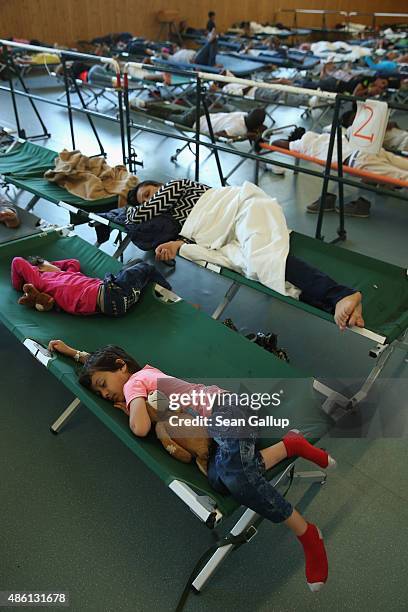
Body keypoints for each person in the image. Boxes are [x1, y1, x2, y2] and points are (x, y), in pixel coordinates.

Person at [47, 339, 335, 592]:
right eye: (100, 394)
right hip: (218, 431)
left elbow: (139, 426)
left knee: (235, 477)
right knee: (219, 480)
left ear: (122, 367)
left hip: (224, 409)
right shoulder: (136, 376)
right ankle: (291, 445)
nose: (106, 395)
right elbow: (99, 365)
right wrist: (74, 354)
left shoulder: (137, 381)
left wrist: (130, 404)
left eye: (103, 387)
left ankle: (306, 533)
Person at [108, 179, 364, 331]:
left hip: (240, 207)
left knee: (262, 258)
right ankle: (329, 302)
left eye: (150, 192)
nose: (152, 198)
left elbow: (138, 216)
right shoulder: (172, 221)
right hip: (224, 234)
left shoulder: (176, 186)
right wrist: (179, 245)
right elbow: (197, 236)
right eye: (146, 198)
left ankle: (341, 294)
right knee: (252, 267)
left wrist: (123, 209)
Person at [272, 127, 408, 217]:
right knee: (403, 164)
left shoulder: (302, 143)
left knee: (402, 178)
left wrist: (287, 141)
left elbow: (276, 143)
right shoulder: (322, 136)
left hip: (358, 159)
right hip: (369, 149)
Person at [11, 256, 170, 316]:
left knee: (135, 263)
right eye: (49, 262)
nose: (57, 265)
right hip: (110, 294)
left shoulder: (65, 275)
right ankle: (170, 294)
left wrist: (53, 267)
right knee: (146, 268)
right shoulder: (41, 280)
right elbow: (17, 261)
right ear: (38, 268)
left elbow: (73, 262)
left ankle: (162, 295)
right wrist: (22, 283)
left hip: (115, 301)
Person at [130, 101, 266, 139]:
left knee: (172, 110)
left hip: (201, 111)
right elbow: (219, 136)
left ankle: (145, 104)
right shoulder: (238, 129)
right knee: (166, 116)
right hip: (193, 122)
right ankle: (141, 110)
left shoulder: (242, 114)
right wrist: (243, 135)